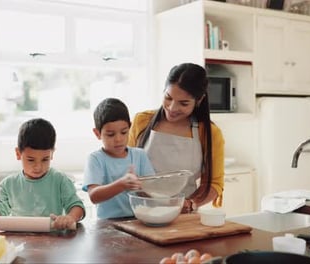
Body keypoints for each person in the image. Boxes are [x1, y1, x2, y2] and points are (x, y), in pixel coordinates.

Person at [128, 63, 225, 214]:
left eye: (184, 103)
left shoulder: (208, 133)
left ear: (199, 101)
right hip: (141, 212)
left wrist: (190, 203)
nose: (172, 108)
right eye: (168, 98)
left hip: (183, 215)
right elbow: (126, 167)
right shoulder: (142, 122)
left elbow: (214, 183)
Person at [0, 118, 85, 230]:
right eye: (31, 160)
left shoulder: (60, 180)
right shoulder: (8, 184)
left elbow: (77, 206)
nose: (38, 167)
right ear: (18, 154)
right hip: (18, 243)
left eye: (45, 159)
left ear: (52, 154)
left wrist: (70, 217)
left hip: (53, 242)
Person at [83, 98, 155, 219]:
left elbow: (153, 191)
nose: (118, 139)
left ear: (130, 128)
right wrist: (122, 184)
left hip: (139, 220)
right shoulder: (95, 159)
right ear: (97, 133)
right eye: (110, 134)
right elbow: (94, 196)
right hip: (108, 225)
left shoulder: (140, 155)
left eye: (123, 132)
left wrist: (141, 187)